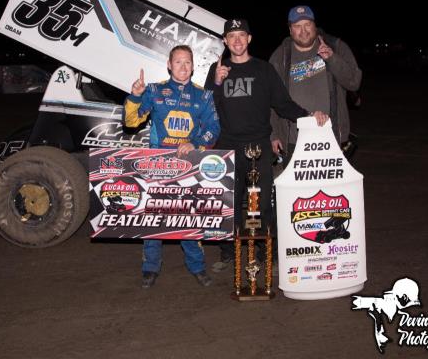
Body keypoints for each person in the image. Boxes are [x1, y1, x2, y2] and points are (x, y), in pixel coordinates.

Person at [204, 19, 328, 271]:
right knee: (229, 201)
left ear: (249, 39)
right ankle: (228, 251)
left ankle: (266, 250)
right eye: (232, 36)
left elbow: (283, 104)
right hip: (226, 146)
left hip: (258, 145)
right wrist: (215, 83)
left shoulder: (263, 69)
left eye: (242, 35)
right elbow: (205, 108)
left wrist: (309, 115)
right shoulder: (217, 70)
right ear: (225, 41)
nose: (237, 40)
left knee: (261, 203)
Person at [124, 45, 220, 289]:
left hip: (189, 167)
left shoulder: (203, 95)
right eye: (178, 62)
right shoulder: (154, 90)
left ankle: (197, 267)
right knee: (154, 220)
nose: (183, 67)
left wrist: (195, 143)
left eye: (187, 62)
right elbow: (131, 121)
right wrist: (135, 96)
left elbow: (213, 129)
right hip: (156, 166)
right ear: (169, 64)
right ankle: (150, 268)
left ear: (193, 65)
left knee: (189, 220)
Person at [269, 6, 362, 164]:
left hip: (332, 137)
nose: (303, 31)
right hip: (293, 140)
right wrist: (274, 135)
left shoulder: (336, 46)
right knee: (297, 189)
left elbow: (353, 83)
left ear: (315, 25)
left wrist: (332, 58)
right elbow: (270, 99)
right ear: (290, 30)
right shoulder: (280, 56)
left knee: (331, 189)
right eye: (297, 26)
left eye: (307, 25)